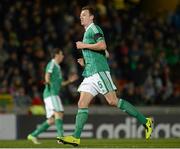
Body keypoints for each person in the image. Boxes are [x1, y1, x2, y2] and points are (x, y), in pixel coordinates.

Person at [57, 6, 153, 146]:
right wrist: (86, 62)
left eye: (84, 15)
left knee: (112, 101)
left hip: (99, 72)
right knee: (81, 103)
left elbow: (102, 46)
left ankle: (146, 122)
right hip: (90, 73)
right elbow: (106, 54)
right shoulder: (87, 32)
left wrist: (84, 45)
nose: (81, 17)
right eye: (80, 15)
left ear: (91, 17)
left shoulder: (94, 29)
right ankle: (75, 138)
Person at [27, 48, 78, 144]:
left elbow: (60, 84)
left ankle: (33, 135)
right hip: (51, 94)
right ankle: (61, 138)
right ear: (56, 55)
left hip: (53, 94)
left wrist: (69, 81)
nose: (63, 56)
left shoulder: (57, 67)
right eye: (61, 54)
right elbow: (47, 75)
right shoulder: (52, 64)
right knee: (58, 113)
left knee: (51, 120)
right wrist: (47, 82)